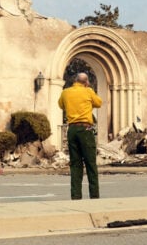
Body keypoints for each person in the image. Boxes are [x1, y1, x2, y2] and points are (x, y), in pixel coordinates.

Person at [58, 72, 102, 200]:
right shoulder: (88, 91)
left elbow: (61, 105)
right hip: (85, 129)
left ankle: (76, 195)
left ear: (75, 80)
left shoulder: (66, 92)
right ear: (86, 81)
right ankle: (94, 195)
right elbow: (99, 103)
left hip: (72, 129)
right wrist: (89, 91)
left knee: (75, 163)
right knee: (90, 163)